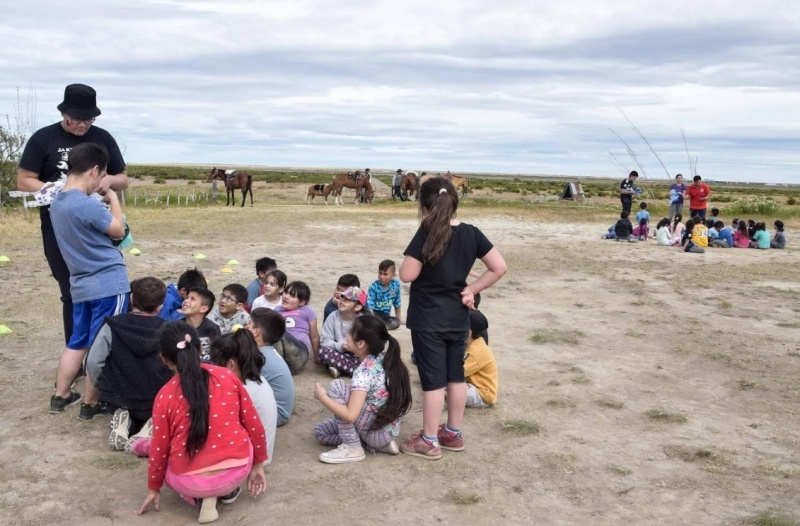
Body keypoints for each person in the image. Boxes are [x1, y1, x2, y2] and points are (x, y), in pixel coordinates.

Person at [398, 178, 507, 460]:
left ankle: (429, 440)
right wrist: (472, 289)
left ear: (423, 207)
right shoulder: (472, 233)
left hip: (428, 319)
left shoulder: (426, 232)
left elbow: (407, 275)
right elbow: (499, 267)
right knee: (455, 377)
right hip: (459, 319)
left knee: (433, 381)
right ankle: (453, 433)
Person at [17, 84, 127, 350]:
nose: (82, 124)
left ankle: (104, 353)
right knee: (71, 291)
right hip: (60, 226)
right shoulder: (44, 138)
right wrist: (53, 189)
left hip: (98, 224)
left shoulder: (103, 137)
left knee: (106, 287)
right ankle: (77, 349)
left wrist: (110, 180)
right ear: (64, 113)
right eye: (77, 119)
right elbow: (23, 180)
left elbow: (123, 178)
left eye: (89, 119)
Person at [135, 322, 267, 524]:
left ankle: (202, 495)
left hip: (188, 482)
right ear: (200, 348)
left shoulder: (164, 396)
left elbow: (160, 449)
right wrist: (258, 466)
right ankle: (218, 493)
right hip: (235, 471)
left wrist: (154, 488)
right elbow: (254, 426)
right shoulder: (227, 377)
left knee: (163, 449)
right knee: (243, 434)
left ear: (163, 358)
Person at [48, 143, 130, 414]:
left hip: (80, 284)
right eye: (101, 176)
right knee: (102, 344)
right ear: (94, 170)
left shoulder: (57, 202)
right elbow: (117, 231)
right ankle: (90, 403)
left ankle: (61, 396)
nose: (99, 183)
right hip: (107, 284)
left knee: (78, 341)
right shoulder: (85, 205)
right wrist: (114, 199)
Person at [83, 277, 170, 448]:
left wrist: (100, 384)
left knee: (120, 403)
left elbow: (93, 361)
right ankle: (149, 425)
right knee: (158, 409)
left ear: (131, 299)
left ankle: (122, 418)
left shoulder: (113, 325)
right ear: (160, 307)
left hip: (118, 396)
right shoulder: (167, 329)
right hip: (155, 398)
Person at [313, 315, 411, 464]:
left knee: (337, 387)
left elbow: (351, 416)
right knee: (321, 432)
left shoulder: (364, 372)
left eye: (350, 334)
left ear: (361, 344)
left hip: (375, 431)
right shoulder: (386, 358)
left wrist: (322, 397)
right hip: (386, 430)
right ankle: (373, 446)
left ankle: (352, 447)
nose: (346, 336)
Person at [210, 329, 278, 467]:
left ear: (230, 365)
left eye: (216, 366)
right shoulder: (258, 381)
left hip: (249, 460)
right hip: (261, 454)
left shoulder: (239, 390)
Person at [246, 308, 295, 426]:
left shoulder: (261, 359)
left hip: (277, 414)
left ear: (256, 332)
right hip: (279, 410)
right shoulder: (267, 351)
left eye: (249, 324)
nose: (246, 326)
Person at [319, 286, 366, 379]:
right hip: (339, 352)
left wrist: (355, 348)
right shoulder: (332, 317)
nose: (342, 301)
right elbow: (324, 341)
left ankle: (343, 369)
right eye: (342, 297)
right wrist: (341, 346)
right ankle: (357, 372)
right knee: (322, 352)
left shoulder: (363, 320)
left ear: (358, 306)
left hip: (357, 355)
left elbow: (367, 344)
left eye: (348, 299)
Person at [274, 281, 319, 373]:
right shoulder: (277, 310)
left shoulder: (307, 311)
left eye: (292, 295)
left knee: (277, 331)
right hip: (281, 357)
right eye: (286, 292)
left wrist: (317, 357)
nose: (286, 296)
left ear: (302, 302)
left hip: (299, 353)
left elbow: (314, 336)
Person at [463, 310, 498, 408]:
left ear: (469, 333)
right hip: (475, 386)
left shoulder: (476, 351)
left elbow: (456, 373)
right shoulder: (475, 343)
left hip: (482, 394)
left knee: (449, 388)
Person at [179, 287, 221, 360]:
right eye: (187, 297)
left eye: (192, 299)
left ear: (203, 309)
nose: (186, 301)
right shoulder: (177, 327)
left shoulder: (212, 329)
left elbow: (217, 356)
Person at [367, 259, 403, 329]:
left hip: (385, 315)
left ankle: (381, 326)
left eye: (385, 274)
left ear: (393, 275)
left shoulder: (396, 285)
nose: (382, 277)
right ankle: (379, 326)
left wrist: (399, 320)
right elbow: (369, 306)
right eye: (380, 273)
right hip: (374, 313)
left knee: (396, 322)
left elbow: (397, 303)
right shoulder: (373, 287)